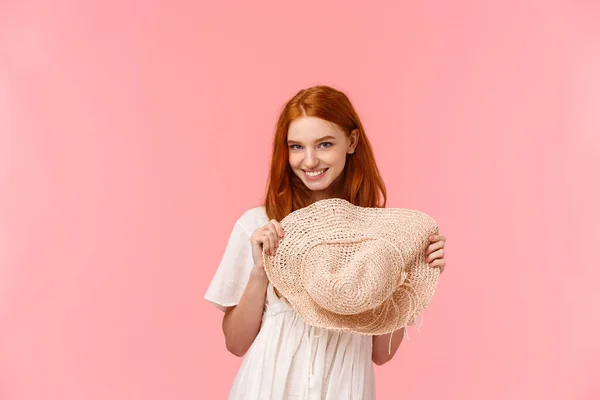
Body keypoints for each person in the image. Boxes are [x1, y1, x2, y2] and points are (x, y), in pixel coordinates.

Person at [205, 85, 447, 399]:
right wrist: (261, 271)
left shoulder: (384, 237)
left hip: (344, 389)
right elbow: (235, 344)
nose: (309, 160)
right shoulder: (258, 225)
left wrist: (410, 276)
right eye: (296, 146)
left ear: (352, 142)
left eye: (324, 144)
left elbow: (381, 354)